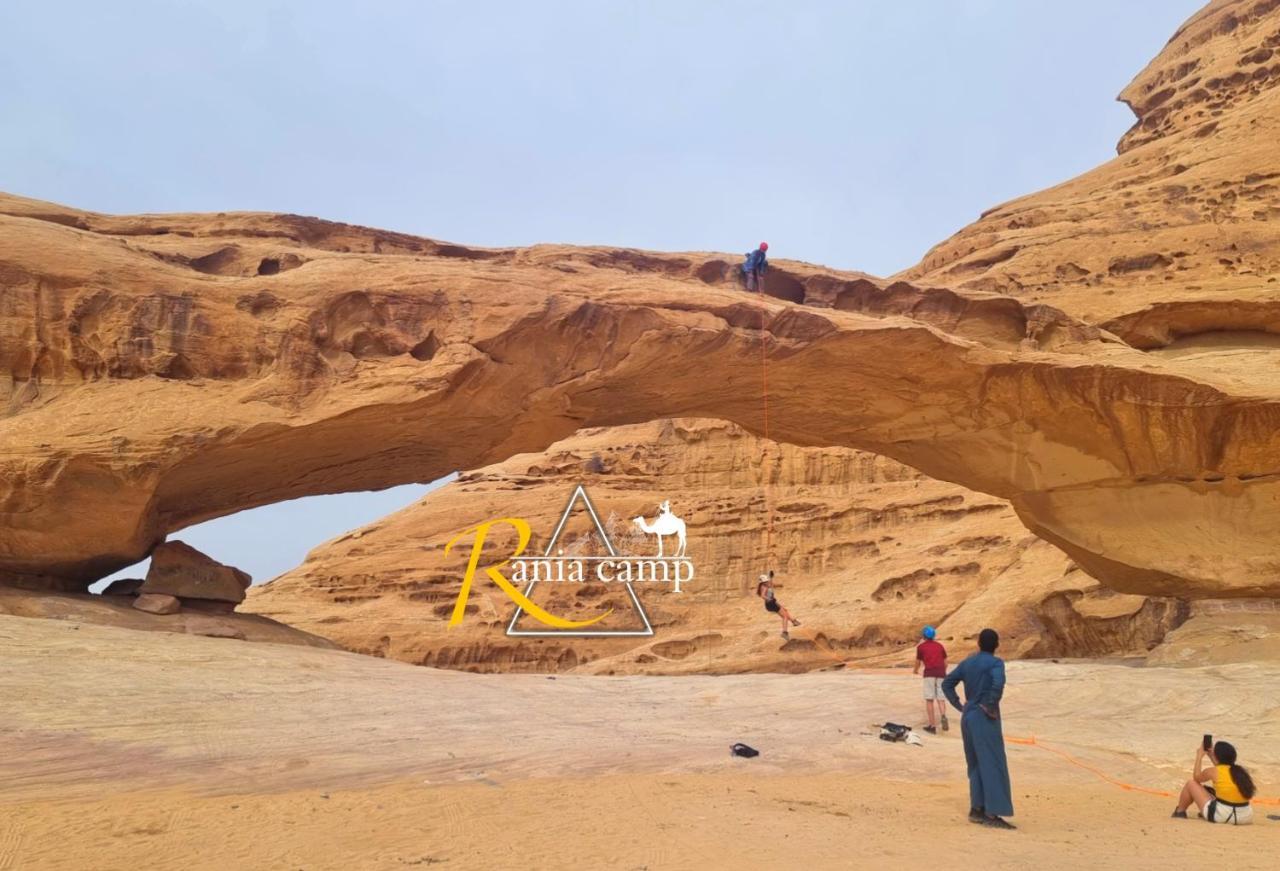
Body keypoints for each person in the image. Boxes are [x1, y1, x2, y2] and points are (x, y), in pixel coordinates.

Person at [942, 628, 1014, 829]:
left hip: (969, 715)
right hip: (984, 716)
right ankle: (992, 813)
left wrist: (960, 705)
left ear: (978, 644)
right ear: (996, 645)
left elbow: (948, 683)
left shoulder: (968, 662)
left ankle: (977, 809)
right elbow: (998, 684)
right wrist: (990, 705)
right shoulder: (996, 663)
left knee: (974, 763)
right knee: (992, 762)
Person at [1172, 740, 1256, 825]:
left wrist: (1199, 756)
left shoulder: (1214, 771)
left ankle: (1180, 811)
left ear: (1217, 756)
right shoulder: (1239, 772)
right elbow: (1222, 769)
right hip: (1246, 817)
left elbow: (1196, 778)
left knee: (1191, 784)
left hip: (1224, 816)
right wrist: (1212, 756)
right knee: (1213, 792)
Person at [913, 625, 949, 734]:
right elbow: (945, 662)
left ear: (923, 636)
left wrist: (915, 670)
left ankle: (932, 726)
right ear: (934, 636)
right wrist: (943, 670)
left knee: (929, 699)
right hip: (941, 673)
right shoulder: (939, 646)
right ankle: (943, 716)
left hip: (929, 674)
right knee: (941, 698)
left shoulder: (921, 647)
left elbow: (918, 662)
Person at [756, 570, 800, 639]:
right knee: (785, 616)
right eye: (767, 580)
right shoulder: (764, 587)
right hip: (771, 603)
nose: (768, 581)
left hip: (771, 603)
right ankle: (785, 632)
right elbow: (762, 595)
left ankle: (794, 621)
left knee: (784, 610)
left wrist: (778, 584)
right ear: (764, 581)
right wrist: (769, 599)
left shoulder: (765, 585)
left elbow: (772, 584)